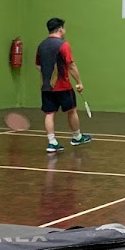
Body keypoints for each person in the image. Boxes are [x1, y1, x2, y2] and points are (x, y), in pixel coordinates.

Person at [36, 17, 90, 153]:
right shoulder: (63, 45)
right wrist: (79, 82)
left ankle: (52, 142)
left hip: (46, 87)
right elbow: (71, 66)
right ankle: (77, 137)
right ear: (60, 29)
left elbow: (38, 66)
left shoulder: (41, 45)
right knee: (71, 110)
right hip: (63, 86)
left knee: (49, 114)